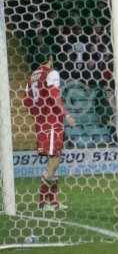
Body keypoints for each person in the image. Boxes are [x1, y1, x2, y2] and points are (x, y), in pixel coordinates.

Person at [23, 54, 76, 211]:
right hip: (52, 122)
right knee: (53, 162)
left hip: (42, 123)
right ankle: (42, 201)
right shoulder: (52, 73)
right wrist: (66, 114)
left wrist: (38, 115)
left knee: (54, 161)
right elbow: (54, 94)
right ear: (50, 57)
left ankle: (53, 202)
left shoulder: (33, 75)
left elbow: (26, 100)